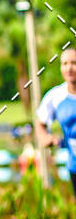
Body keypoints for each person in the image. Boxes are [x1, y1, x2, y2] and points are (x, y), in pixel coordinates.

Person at [35, 46, 76, 196]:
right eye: (65, 64)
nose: (69, 68)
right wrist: (45, 138)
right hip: (74, 166)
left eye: (74, 63)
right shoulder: (55, 96)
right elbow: (40, 123)